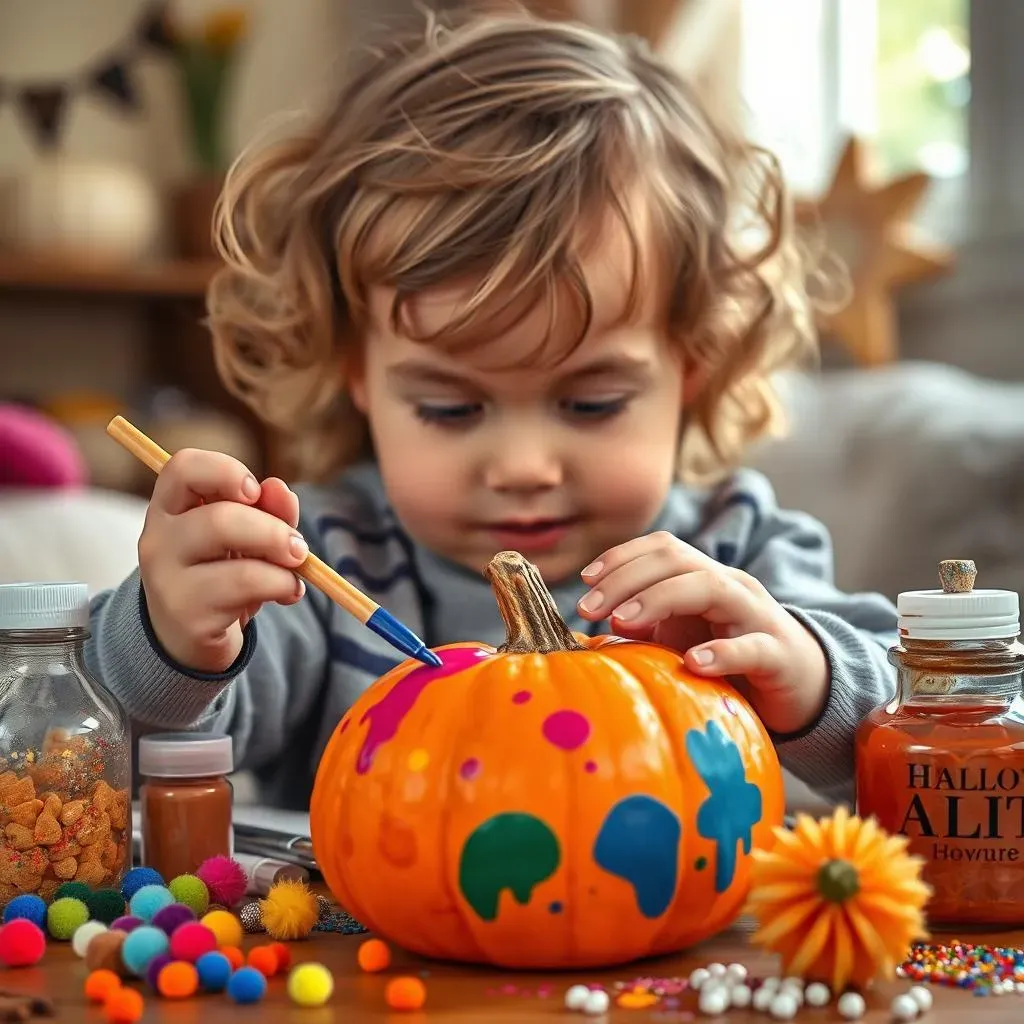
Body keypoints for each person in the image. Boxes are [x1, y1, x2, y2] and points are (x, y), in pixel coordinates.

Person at [87, 6, 896, 809]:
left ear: (693, 365)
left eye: (590, 403)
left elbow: (957, 735)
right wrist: (170, 643)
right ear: (356, 372)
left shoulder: (737, 553)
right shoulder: (320, 571)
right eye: (449, 408)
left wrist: (808, 675)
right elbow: (93, 748)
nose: (521, 469)